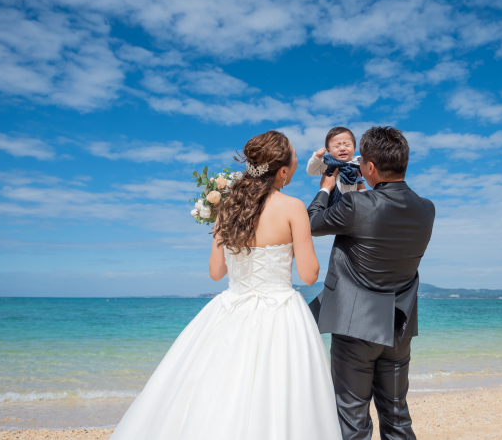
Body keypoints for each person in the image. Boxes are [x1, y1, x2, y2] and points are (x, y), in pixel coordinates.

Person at [110, 130, 343, 440]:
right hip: (279, 312)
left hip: (232, 307)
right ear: (283, 172)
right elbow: (309, 275)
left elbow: (216, 272)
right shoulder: (292, 207)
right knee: (282, 395)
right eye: (295, 160)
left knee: (220, 390)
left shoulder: (229, 207)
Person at [308, 126, 436, 440]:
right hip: (399, 325)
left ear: (370, 168)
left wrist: (325, 189)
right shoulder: (426, 209)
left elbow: (312, 222)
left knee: (353, 420)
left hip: (356, 325)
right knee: (397, 416)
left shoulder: (356, 206)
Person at [306, 126, 366, 206]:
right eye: (337, 146)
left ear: (354, 148)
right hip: (333, 203)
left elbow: (372, 170)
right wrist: (317, 158)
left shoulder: (358, 161)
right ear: (328, 151)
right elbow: (311, 171)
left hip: (355, 202)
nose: (342, 148)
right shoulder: (327, 162)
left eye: (347, 145)